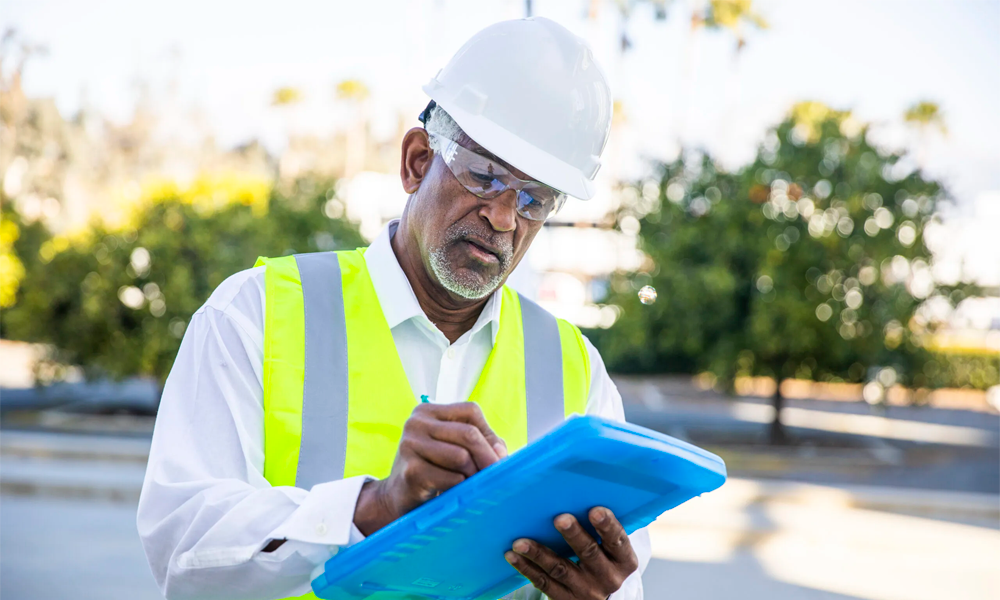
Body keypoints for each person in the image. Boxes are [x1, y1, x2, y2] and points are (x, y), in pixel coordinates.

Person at [137, 16, 651, 600]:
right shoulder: (254, 315)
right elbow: (181, 548)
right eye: (485, 177)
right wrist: (372, 508)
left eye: (535, 201)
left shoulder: (575, 371)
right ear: (415, 161)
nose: (505, 218)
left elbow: (625, 582)